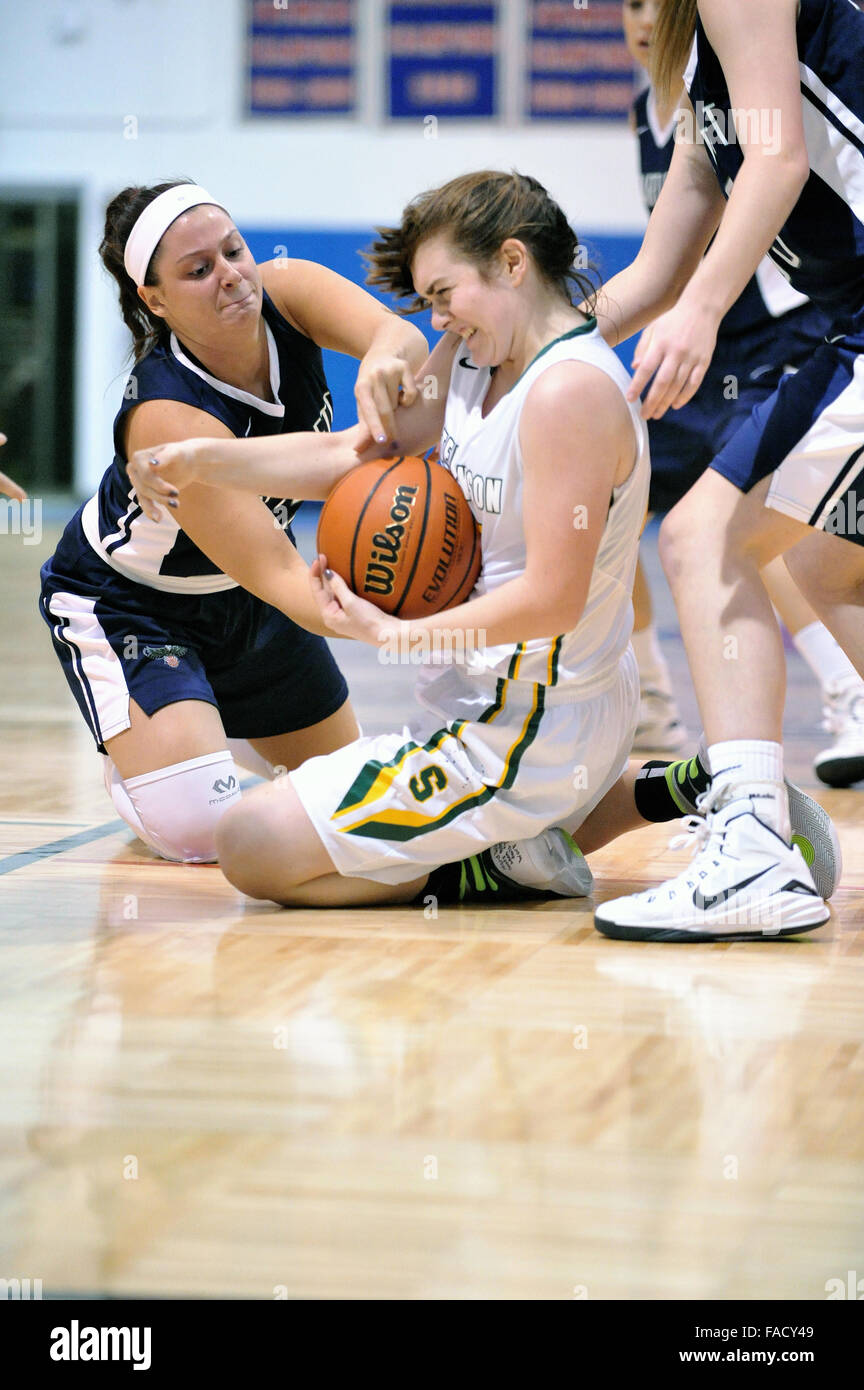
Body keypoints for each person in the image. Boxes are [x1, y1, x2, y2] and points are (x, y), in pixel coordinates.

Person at [127, 171, 839, 914]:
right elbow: (357, 454)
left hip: (537, 723)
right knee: (339, 825)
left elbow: (553, 601)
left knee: (250, 843)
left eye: (443, 295)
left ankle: (489, 868)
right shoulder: (474, 355)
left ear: (510, 262)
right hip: (512, 703)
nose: (437, 321)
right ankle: (673, 785)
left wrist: (396, 635)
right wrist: (207, 458)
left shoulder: (568, 392)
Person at [38, 179, 428, 865]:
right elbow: (282, 575)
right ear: (153, 301)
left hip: (241, 592)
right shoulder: (166, 413)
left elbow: (401, 337)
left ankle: (186, 737)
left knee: (350, 802)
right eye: (199, 269)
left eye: (233, 250)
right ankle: (145, 757)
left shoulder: (290, 290)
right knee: (200, 831)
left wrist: (391, 360)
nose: (231, 276)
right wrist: (404, 622)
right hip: (133, 606)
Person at [589, 0, 864, 940]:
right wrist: (512, 359)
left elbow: (782, 159)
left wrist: (705, 312)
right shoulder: (695, 72)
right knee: (826, 566)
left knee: (709, 539)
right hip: (848, 317)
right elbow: (656, 269)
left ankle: (751, 847)